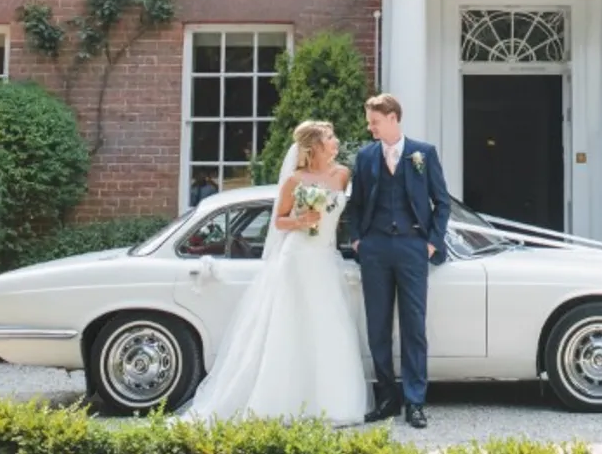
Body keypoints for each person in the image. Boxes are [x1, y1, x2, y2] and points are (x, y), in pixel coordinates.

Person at [180, 119, 367, 424]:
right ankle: (279, 402)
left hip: (324, 258)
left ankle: (330, 403)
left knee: (328, 325)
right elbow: (278, 221)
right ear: (316, 146)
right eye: (330, 137)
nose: (336, 141)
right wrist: (301, 221)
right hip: (297, 257)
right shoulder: (295, 180)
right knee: (291, 325)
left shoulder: (342, 174)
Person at [350, 93, 450, 430]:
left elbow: (442, 202)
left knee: (413, 326)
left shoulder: (424, 153)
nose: (370, 127)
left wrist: (432, 243)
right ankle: (387, 399)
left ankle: (415, 401)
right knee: (377, 326)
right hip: (375, 249)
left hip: (412, 248)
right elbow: (356, 204)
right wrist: (358, 240)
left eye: (374, 121)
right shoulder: (365, 156)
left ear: (392, 117)